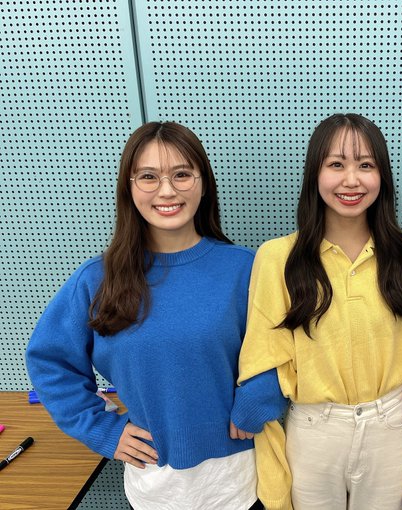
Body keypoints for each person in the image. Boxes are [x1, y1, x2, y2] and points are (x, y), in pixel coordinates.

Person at [25, 121, 285, 510]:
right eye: (148, 177)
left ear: (202, 183)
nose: (167, 190)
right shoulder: (97, 280)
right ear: (129, 187)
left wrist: (259, 400)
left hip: (242, 480)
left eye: (182, 174)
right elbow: (50, 362)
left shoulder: (247, 269)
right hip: (152, 486)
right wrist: (101, 428)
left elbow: (283, 347)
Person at [232, 113, 402, 510]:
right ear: (315, 175)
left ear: (382, 176)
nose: (351, 180)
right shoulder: (277, 257)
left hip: (391, 425)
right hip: (314, 428)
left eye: (365, 165)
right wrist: (275, 491)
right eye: (336, 164)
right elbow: (261, 361)